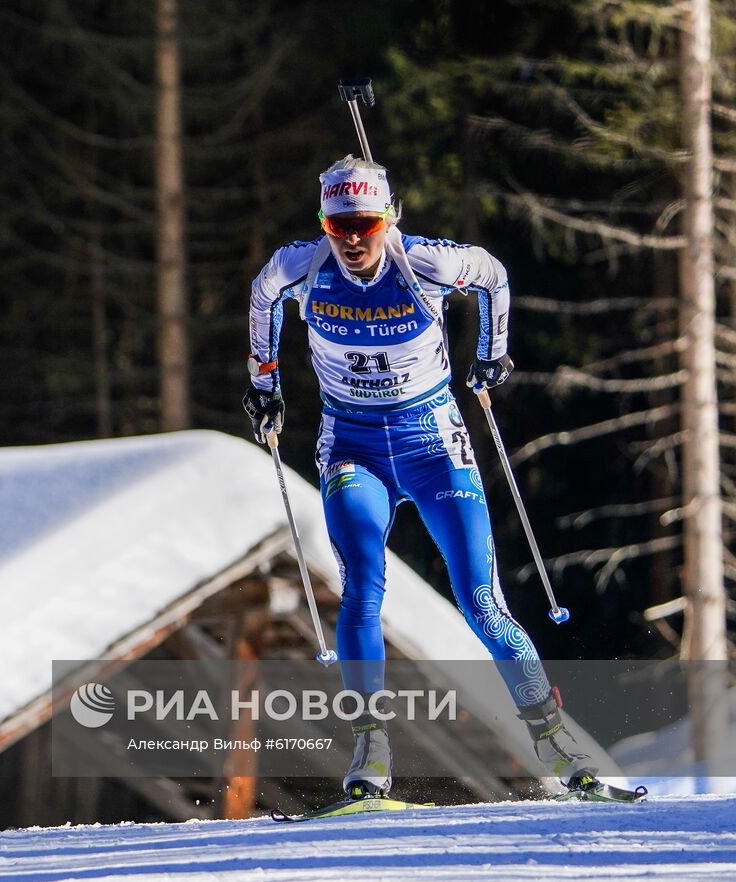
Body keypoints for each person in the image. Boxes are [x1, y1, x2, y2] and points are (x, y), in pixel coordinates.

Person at [243, 156, 597, 800]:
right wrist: (263, 384)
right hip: (351, 443)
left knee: (480, 599)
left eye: (366, 223)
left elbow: (492, 275)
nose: (352, 238)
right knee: (361, 589)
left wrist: (492, 353)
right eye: (337, 224)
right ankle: (371, 745)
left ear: (389, 218)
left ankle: (553, 737)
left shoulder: (424, 262)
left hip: (432, 441)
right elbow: (263, 296)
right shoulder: (302, 266)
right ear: (323, 223)